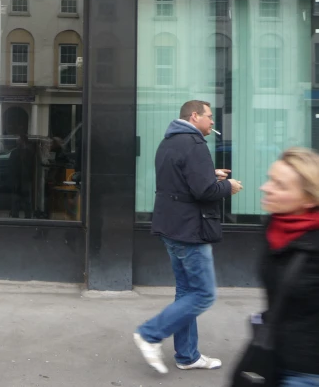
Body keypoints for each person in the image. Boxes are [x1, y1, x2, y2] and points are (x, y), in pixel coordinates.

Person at [134, 100, 243, 374]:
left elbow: (179, 179)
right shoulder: (195, 145)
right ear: (194, 116)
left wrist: (210, 174)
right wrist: (227, 186)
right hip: (189, 230)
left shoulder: (169, 142)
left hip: (171, 227)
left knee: (186, 292)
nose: (213, 122)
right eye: (209, 116)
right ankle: (150, 333)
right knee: (203, 294)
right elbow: (204, 193)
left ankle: (187, 355)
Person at [257, 147, 319, 387]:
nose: (266, 188)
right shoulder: (274, 226)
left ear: (310, 199)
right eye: (270, 179)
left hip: (308, 371)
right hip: (273, 357)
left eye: (280, 185)